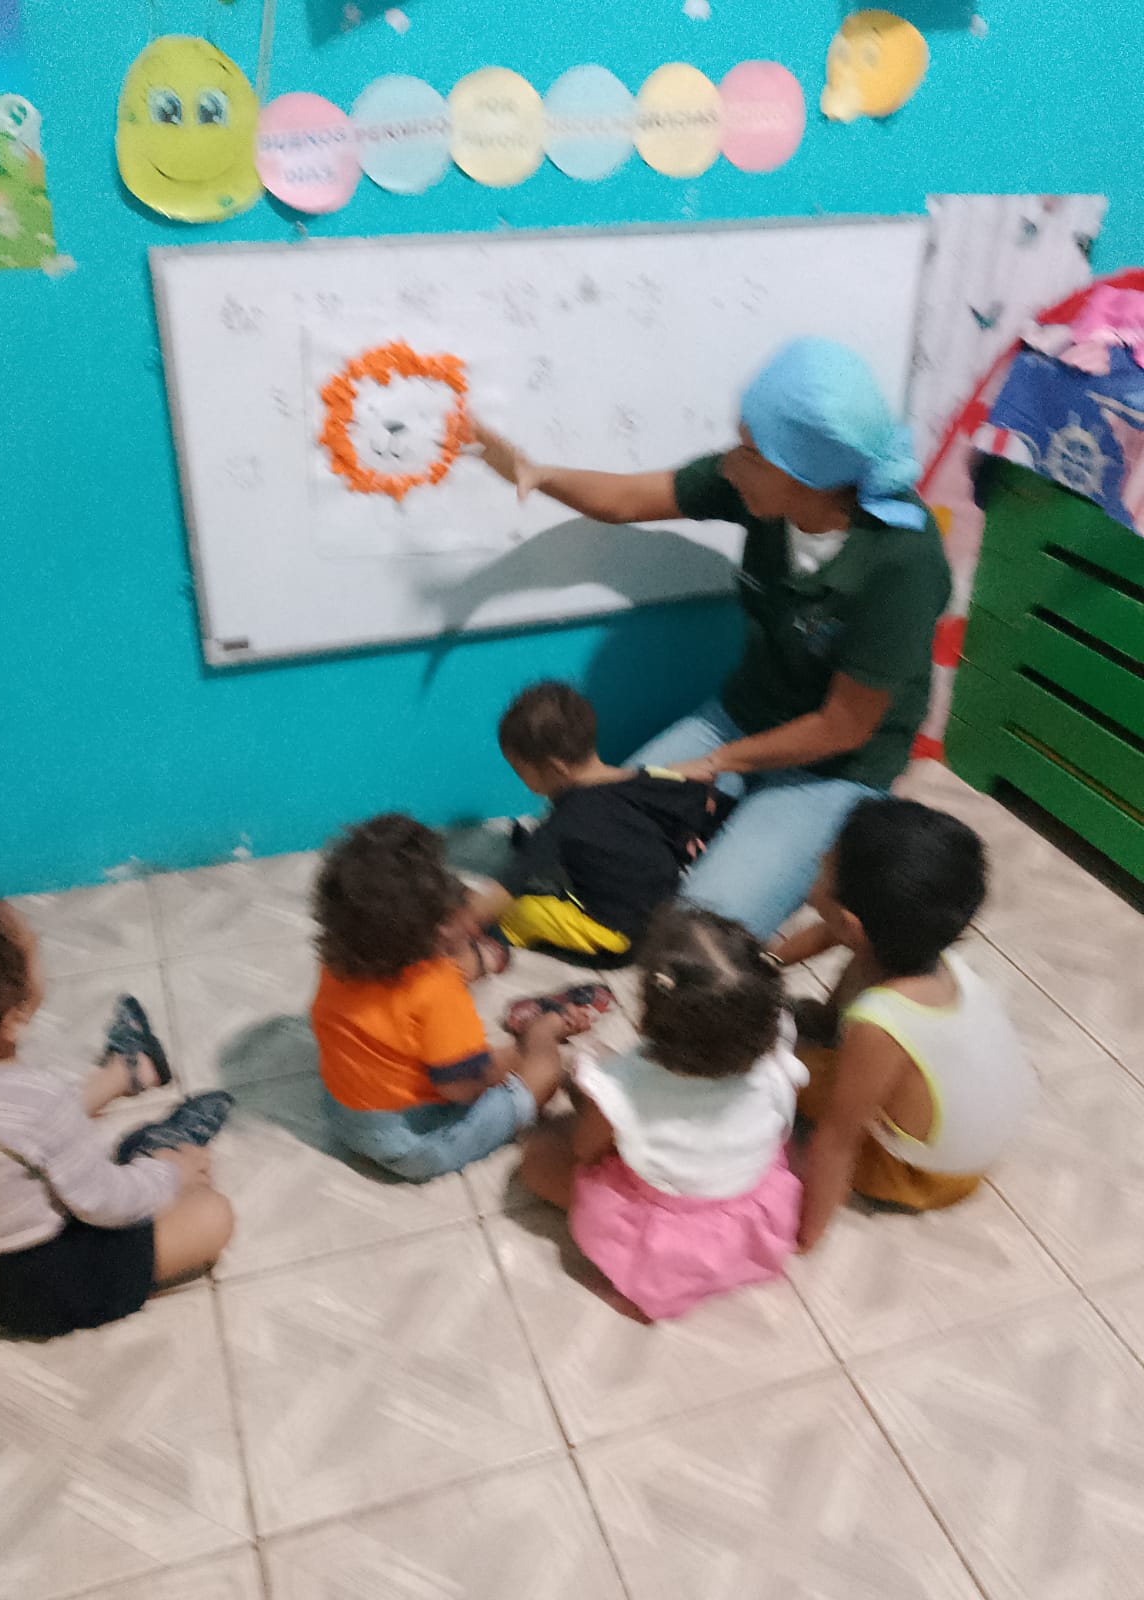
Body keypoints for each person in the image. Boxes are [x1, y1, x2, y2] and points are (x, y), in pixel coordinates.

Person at [473, 337, 952, 940]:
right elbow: (625, 501)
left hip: (836, 765)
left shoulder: (902, 560)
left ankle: (765, 838)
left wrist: (717, 764)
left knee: (699, 928)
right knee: (590, 827)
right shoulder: (758, 486)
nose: (728, 465)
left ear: (808, 473)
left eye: (750, 452)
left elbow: (843, 727)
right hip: (741, 717)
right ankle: (715, 826)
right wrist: (536, 473)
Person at [0, 882, 233, 1339]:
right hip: (42, 1284)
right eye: (35, 949)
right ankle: (154, 1142)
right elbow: (104, 1202)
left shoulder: (29, 1103)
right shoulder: (39, 1103)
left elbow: (8, 1127)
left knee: (25, 1126)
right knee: (213, 1216)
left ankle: (129, 1070)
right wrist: (167, 1173)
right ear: (13, 1017)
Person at [519, 905, 806, 1321]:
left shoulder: (628, 1082)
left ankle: (636, 1287)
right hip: (749, 1220)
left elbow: (585, 1150)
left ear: (648, 1014)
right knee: (608, 1094)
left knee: (539, 1158)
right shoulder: (779, 1044)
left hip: (667, 1242)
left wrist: (601, 1103)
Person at [792, 797, 1036, 1249]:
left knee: (784, 1069)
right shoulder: (920, 949)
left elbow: (838, 1141)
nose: (818, 859)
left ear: (849, 922)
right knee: (860, 967)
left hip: (918, 1178)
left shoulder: (878, 1025)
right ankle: (825, 1023)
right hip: (972, 1148)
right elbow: (837, 933)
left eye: (826, 865)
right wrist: (767, 961)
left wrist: (807, 1235)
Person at [312, 814, 608, 1182]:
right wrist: (512, 1066)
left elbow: (399, 992)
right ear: (439, 932)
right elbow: (462, 1088)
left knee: (470, 1045)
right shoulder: (438, 991)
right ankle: (545, 1029)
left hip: (341, 1111)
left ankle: (485, 971)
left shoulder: (337, 961)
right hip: (413, 1143)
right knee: (541, 1071)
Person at [470, 680, 722, 967]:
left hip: (618, 939)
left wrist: (468, 917)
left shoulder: (563, 822)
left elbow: (512, 880)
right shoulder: (642, 781)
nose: (523, 782)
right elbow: (699, 795)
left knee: (525, 912)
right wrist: (688, 829)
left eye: (521, 772)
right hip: (667, 910)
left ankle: (499, 940)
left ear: (555, 769)